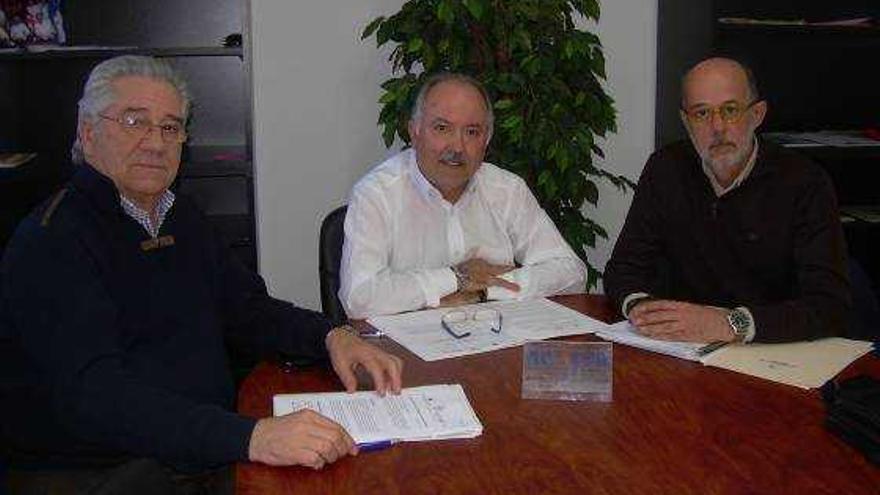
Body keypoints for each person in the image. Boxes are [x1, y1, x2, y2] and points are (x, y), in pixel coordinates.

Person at [0, 55, 403, 494]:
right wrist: (251, 437)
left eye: (171, 127)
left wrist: (331, 337)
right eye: (135, 121)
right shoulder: (52, 240)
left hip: (196, 448)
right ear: (88, 132)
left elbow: (247, 310)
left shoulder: (181, 217)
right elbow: (97, 397)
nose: (156, 142)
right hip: (101, 471)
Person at [604, 57, 851, 344]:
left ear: (757, 114)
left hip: (775, 353)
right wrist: (643, 309)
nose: (717, 126)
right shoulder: (666, 168)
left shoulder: (804, 182)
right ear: (686, 122)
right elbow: (623, 270)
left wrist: (731, 324)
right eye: (701, 113)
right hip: (684, 350)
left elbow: (830, 304)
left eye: (730, 110)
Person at [339, 73, 587, 319]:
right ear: (414, 132)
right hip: (407, 351)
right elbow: (359, 297)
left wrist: (482, 293)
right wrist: (456, 277)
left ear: (486, 140)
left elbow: (571, 273)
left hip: (496, 344)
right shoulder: (377, 193)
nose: (457, 147)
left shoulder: (507, 190)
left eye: (472, 132)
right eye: (442, 128)